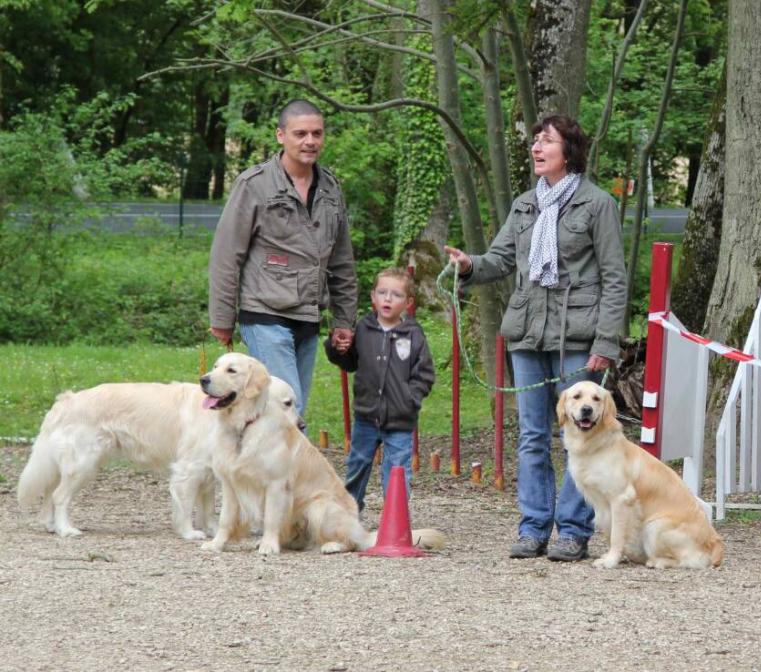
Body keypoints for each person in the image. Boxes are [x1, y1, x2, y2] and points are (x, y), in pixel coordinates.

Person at [443, 115, 626, 562]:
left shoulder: (597, 204)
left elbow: (615, 278)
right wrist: (469, 266)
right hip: (527, 333)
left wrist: (606, 341)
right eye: (536, 141)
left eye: (548, 141)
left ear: (570, 151)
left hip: (579, 335)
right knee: (531, 435)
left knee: (580, 435)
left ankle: (573, 531)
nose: (537, 148)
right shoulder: (526, 204)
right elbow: (501, 259)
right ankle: (532, 526)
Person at [207, 98, 358, 417]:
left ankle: (247, 464)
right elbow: (226, 254)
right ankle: (287, 468)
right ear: (281, 136)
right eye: (300, 133)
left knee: (280, 408)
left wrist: (344, 319)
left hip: (309, 314)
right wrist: (222, 318)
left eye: (317, 134)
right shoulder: (254, 184)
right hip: (265, 311)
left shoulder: (331, 187)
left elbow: (342, 260)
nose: (310, 141)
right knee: (288, 406)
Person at [324, 268, 435, 515]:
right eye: (382, 292)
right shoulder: (363, 328)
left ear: (408, 303)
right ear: (373, 297)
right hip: (366, 416)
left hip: (400, 419)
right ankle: (349, 513)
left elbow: (425, 374)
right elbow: (349, 362)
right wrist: (335, 348)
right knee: (357, 465)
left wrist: (410, 399)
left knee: (396, 470)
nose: (387, 299)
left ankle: (395, 519)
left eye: (395, 295)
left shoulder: (413, 334)